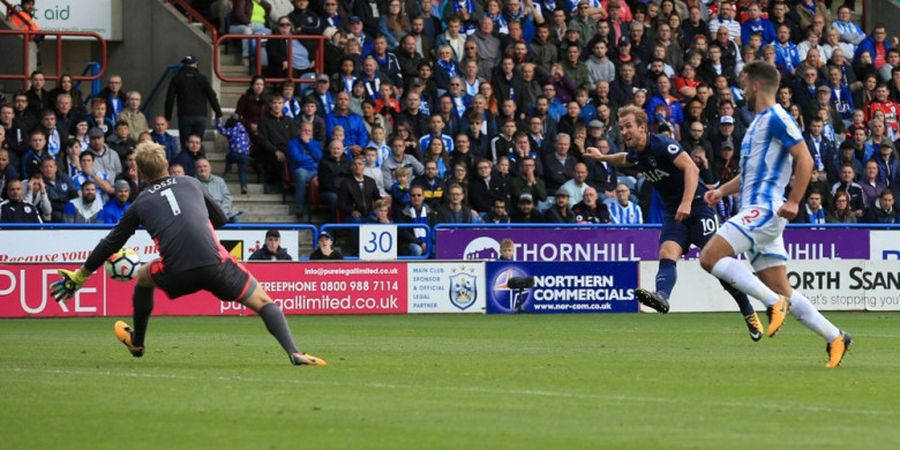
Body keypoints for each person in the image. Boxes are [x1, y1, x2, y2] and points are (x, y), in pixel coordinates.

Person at [49, 142, 325, 367]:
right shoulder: (190, 182)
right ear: (167, 165)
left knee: (143, 277)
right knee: (265, 303)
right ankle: (294, 352)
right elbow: (220, 219)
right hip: (216, 265)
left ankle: (138, 342)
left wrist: (81, 275)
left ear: (141, 174)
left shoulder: (140, 203)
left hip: (176, 271)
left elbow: (110, 243)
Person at [699, 61, 850, 368]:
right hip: (755, 211)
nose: (740, 87)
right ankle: (836, 337)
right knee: (784, 289)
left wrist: (795, 201)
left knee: (709, 257)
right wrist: (721, 192)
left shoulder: (778, 118)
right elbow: (749, 174)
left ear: (756, 85)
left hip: (765, 210)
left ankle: (771, 303)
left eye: (743, 81)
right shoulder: (757, 123)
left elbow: (805, 158)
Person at [584, 105, 762, 341]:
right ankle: (662, 297)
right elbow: (624, 159)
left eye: (628, 126)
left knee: (717, 265)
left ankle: (748, 312)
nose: (624, 131)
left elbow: (691, 168)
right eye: (621, 127)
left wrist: (686, 203)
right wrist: (603, 157)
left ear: (642, 127)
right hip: (674, 214)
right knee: (667, 252)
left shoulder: (661, 143)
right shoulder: (637, 154)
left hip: (698, 209)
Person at [164, 56, 223, 149]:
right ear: (195, 65)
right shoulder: (202, 78)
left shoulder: (177, 78)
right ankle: (199, 161)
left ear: (183, 65)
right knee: (197, 144)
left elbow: (169, 99)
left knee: (186, 144)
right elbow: (212, 96)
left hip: (184, 115)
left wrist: (168, 117)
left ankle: (186, 162)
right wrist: (218, 113)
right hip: (200, 116)